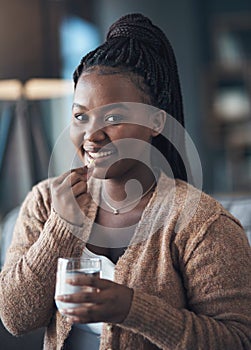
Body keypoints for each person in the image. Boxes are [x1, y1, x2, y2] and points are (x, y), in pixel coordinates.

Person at [0, 13, 251, 350]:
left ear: (156, 122)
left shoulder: (201, 223)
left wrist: (133, 309)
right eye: (80, 116)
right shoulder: (45, 202)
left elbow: (237, 340)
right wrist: (61, 225)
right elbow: (16, 319)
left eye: (114, 118)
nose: (92, 135)